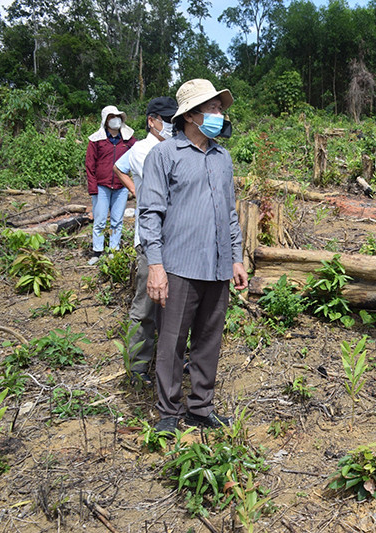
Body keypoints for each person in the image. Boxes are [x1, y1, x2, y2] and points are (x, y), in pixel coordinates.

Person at [139, 79, 248, 433]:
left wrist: (236, 257)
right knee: (171, 342)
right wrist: (155, 266)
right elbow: (150, 213)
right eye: (213, 109)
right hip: (178, 265)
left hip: (217, 266)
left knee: (208, 340)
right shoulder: (165, 155)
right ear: (190, 115)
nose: (219, 115)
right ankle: (168, 412)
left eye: (220, 108)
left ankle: (200, 408)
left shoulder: (222, 157)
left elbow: (229, 213)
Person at [113, 97, 179, 387]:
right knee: (146, 307)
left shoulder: (175, 144)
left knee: (175, 306)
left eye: (174, 118)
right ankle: (138, 367)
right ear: (152, 120)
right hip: (151, 240)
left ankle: (173, 360)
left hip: (176, 239)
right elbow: (119, 166)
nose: (170, 124)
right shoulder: (144, 150)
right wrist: (137, 191)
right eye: (165, 118)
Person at [85, 106, 136, 264]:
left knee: (117, 220)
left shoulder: (128, 140)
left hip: (120, 187)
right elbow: (90, 165)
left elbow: (139, 155)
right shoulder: (96, 140)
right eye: (112, 116)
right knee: (100, 220)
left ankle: (114, 250)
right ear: (105, 120)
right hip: (102, 186)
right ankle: (97, 252)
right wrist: (93, 188)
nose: (115, 119)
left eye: (117, 116)